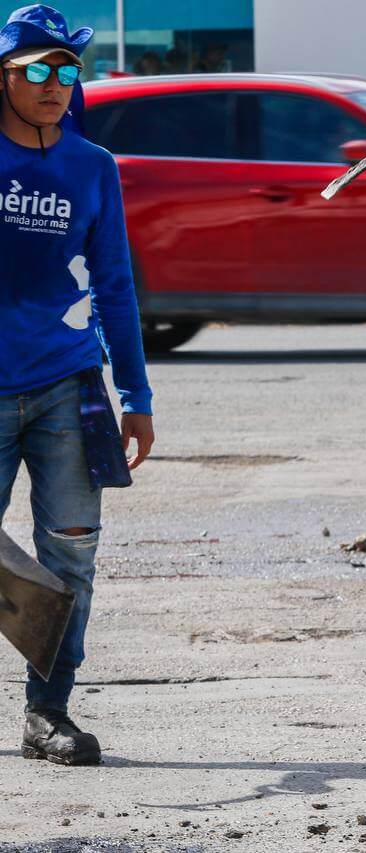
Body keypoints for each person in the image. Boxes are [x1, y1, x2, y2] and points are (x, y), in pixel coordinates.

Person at [0, 4, 154, 765]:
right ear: (4, 76)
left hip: (70, 384)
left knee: (71, 553)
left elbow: (117, 285)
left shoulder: (93, 167)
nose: (55, 82)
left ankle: (47, 709)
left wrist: (139, 395)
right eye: (37, 68)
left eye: (67, 69)